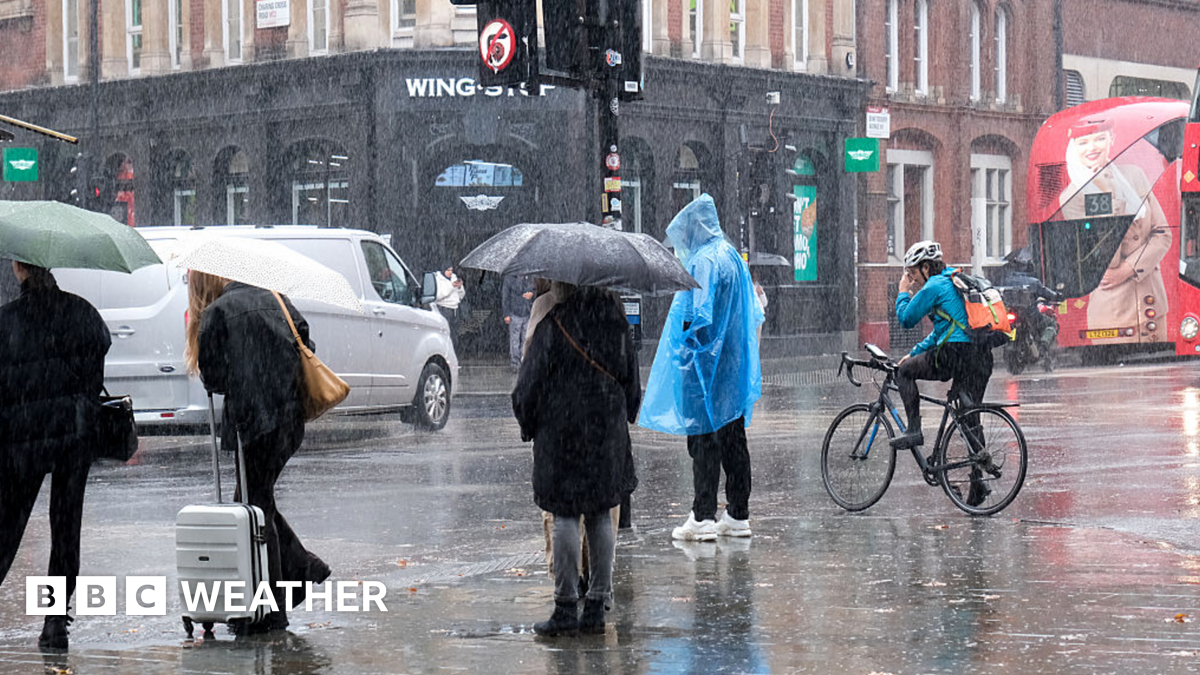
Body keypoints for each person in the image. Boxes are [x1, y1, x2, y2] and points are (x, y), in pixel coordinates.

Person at [185, 271, 331, 634]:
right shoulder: (278, 299)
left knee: (254, 508)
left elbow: (214, 379)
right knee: (254, 502)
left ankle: (275, 608)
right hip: (288, 420)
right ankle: (301, 569)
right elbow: (306, 345)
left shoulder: (218, 313)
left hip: (251, 425)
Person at [513, 283, 641, 637]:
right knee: (601, 513)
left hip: (561, 433)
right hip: (606, 433)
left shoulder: (554, 323)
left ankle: (566, 605)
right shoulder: (615, 323)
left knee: (565, 515)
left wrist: (529, 423)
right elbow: (632, 380)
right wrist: (625, 411)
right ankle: (597, 606)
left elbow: (528, 386)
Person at [0, 261, 111, 651]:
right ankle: (55, 623)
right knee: (65, 531)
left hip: (20, 439)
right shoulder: (83, 314)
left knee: (7, 527)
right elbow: (95, 376)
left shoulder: (6, 322)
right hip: (73, 439)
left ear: (19, 269)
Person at [640, 194, 764, 542]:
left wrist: (685, 346)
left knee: (703, 439)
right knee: (733, 438)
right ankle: (738, 514)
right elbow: (751, 311)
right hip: (731, 366)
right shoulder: (731, 257)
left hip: (703, 367)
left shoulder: (705, 261)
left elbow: (697, 317)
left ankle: (703, 516)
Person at [890, 241, 995, 482]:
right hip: (980, 355)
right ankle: (978, 482)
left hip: (955, 354)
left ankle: (913, 430)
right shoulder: (954, 281)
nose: (913, 279)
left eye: (914, 273)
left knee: (904, 372)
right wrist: (916, 351)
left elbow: (906, 319)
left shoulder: (934, 285)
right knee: (969, 414)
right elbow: (944, 329)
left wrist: (903, 292)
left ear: (926, 267)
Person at [1058, 117, 1171, 342]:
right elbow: (1107, 258)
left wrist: (1129, 269)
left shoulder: (1134, 174)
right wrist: (1109, 193)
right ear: (1072, 148)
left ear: (1111, 140)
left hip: (1153, 304)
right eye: (1083, 142)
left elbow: (1163, 233)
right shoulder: (1071, 197)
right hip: (1113, 313)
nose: (1092, 147)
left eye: (1100, 138)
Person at [502, 274, 534, 368]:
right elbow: (506, 296)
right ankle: (515, 363)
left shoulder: (529, 277)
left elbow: (534, 290)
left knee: (525, 339)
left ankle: (522, 360)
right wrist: (506, 313)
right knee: (515, 340)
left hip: (527, 312)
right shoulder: (510, 278)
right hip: (515, 312)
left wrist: (531, 294)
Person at [434, 266, 467, 345]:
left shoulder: (454, 277)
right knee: (444, 333)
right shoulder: (438, 279)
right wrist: (451, 286)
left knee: (454, 334)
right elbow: (439, 296)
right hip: (444, 309)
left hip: (455, 310)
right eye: (448, 270)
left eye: (451, 270)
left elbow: (461, 296)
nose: (450, 272)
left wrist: (459, 287)